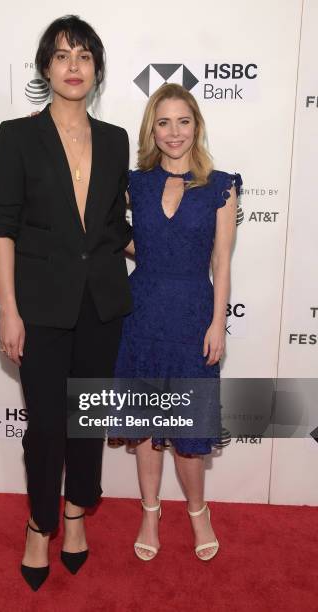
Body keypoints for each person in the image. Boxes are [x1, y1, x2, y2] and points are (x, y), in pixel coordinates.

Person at [0, 15, 132, 591]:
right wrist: (8, 310)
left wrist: (175, 248)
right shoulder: (17, 136)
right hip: (41, 306)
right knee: (46, 425)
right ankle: (38, 525)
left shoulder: (117, 139)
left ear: (97, 71)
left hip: (102, 304)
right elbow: (3, 228)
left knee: (87, 420)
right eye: (63, 56)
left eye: (85, 57)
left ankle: (76, 516)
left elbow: (113, 228)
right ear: (46, 67)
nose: (74, 67)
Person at [113, 83, 241, 562]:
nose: (173, 132)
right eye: (163, 122)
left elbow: (222, 264)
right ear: (152, 128)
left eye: (182, 121)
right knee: (145, 422)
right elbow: (113, 232)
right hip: (141, 310)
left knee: (187, 426)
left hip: (192, 313)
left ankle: (197, 510)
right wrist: (144, 252)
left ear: (196, 126)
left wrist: (217, 322)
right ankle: (150, 511)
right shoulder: (136, 183)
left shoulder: (220, 185)